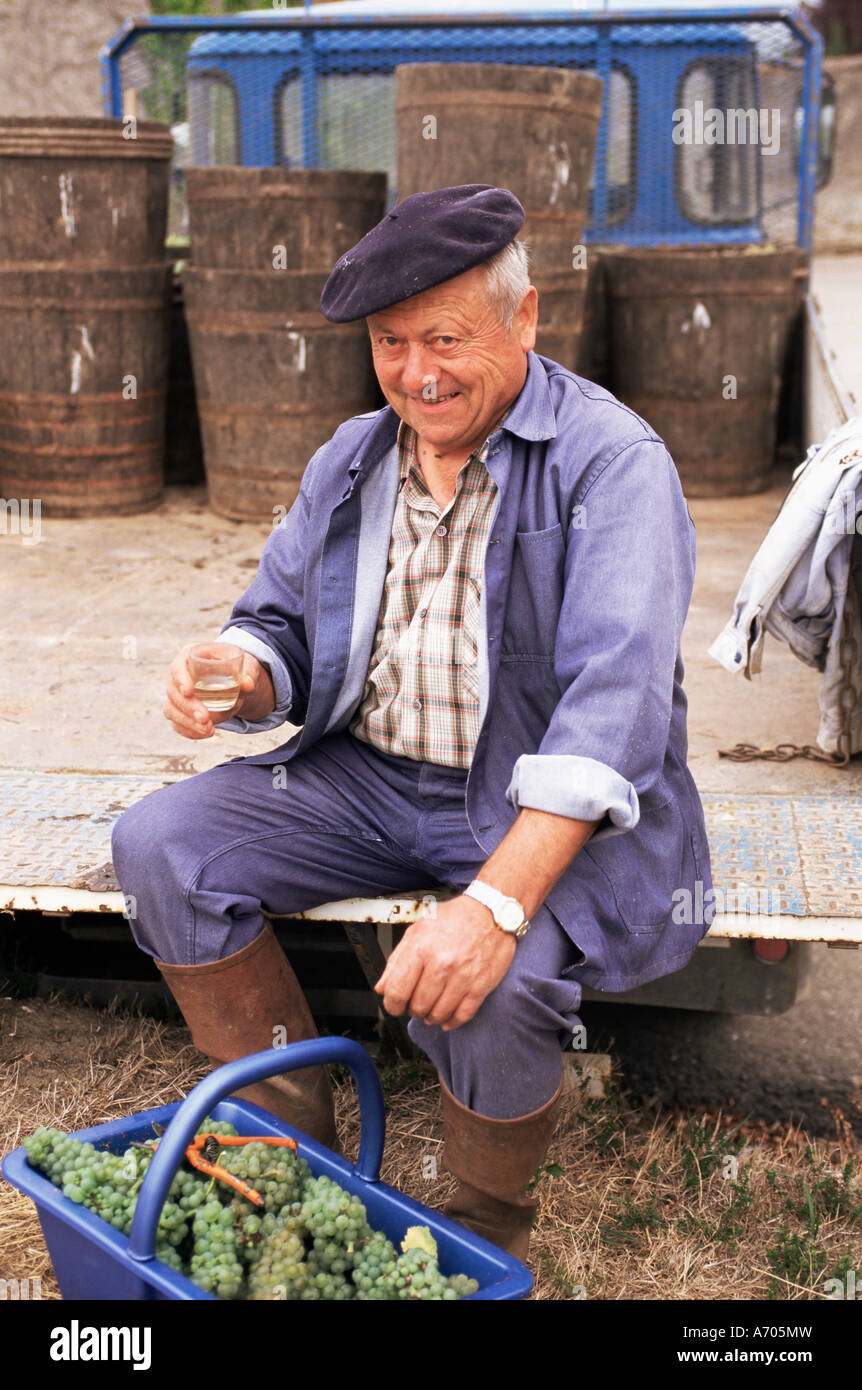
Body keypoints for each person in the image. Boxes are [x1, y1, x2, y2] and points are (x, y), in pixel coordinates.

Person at [111, 184, 713, 1262]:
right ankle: (290, 1159)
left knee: (497, 982)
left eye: (446, 336)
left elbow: (613, 710)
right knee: (160, 846)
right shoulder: (352, 456)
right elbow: (280, 624)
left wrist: (489, 906)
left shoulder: (610, 462)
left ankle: (481, 1230)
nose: (418, 373)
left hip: (527, 792)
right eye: (391, 342)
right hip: (368, 777)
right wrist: (241, 673)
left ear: (524, 321)